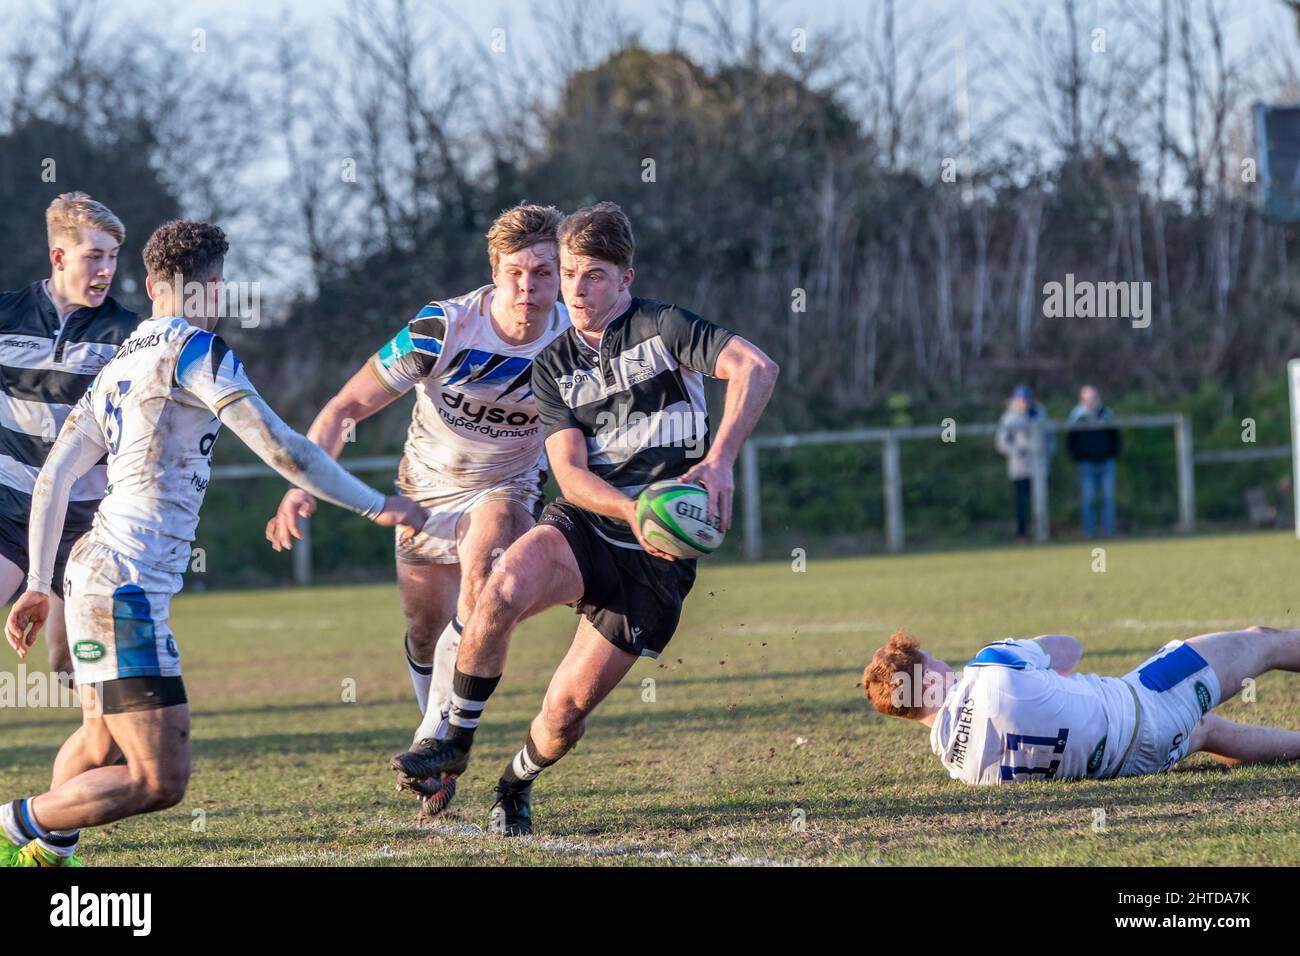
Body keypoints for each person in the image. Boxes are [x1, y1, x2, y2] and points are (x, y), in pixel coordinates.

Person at [1, 220, 427, 867]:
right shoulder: (197, 350)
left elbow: (54, 475)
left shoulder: (119, 361)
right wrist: (377, 504)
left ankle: (43, 853)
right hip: (124, 589)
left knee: (98, 739)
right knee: (157, 780)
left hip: (91, 571)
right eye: (218, 283)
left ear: (148, 285)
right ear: (215, 288)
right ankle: (14, 825)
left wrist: (38, 581)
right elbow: (284, 447)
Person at [389, 202, 779, 835]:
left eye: (594, 274)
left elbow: (755, 367)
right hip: (587, 525)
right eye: (569, 272)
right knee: (500, 585)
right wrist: (633, 509)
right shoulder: (555, 364)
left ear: (626, 278)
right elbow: (569, 474)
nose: (576, 288)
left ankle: (515, 781)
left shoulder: (665, 327)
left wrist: (720, 462)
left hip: (655, 564)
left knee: (563, 714)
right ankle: (453, 740)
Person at [264, 204, 570, 818]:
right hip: (423, 494)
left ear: (561, 273)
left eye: (543, 272)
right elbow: (345, 406)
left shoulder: (576, 337)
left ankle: (436, 743)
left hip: (507, 485)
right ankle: (438, 744)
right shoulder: (443, 328)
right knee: (425, 629)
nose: (528, 288)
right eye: (515, 272)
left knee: (481, 583)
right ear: (494, 270)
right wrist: (302, 485)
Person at [861, 627, 1300, 785]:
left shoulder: (964, 770)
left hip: (1134, 762)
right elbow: (1070, 648)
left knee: (1202, 730)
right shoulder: (990, 665)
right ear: (928, 676)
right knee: (1263, 640)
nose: (943, 662)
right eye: (932, 659)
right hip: (1146, 701)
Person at [0, 192, 140, 679]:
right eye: (93, 256)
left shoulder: (128, 334)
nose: (106, 270)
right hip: (9, 511)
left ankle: (110, 749)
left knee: (67, 666)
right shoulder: (8, 315)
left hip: (85, 523)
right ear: (58, 257)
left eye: (113, 257)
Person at [994, 385, 1053, 540]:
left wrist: (1047, 452)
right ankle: (1022, 534)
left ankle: (1042, 532)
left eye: (1026, 399)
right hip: (1021, 467)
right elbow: (1002, 443)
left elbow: (1050, 437)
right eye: (1021, 399)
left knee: (1041, 501)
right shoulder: (1009, 418)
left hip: (1039, 466)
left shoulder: (1039, 414)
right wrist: (1018, 451)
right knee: (1022, 503)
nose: (1024, 403)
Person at [1066, 384, 1120, 537]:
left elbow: (1115, 437)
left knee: (1108, 499)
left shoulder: (1107, 414)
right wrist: (1078, 457)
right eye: (1087, 399)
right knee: (1088, 500)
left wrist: (1112, 454)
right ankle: (1089, 533)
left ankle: (1109, 532)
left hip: (1106, 462)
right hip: (1087, 464)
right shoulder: (1077, 416)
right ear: (1082, 400)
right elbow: (1071, 441)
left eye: (1093, 398)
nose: (1091, 402)